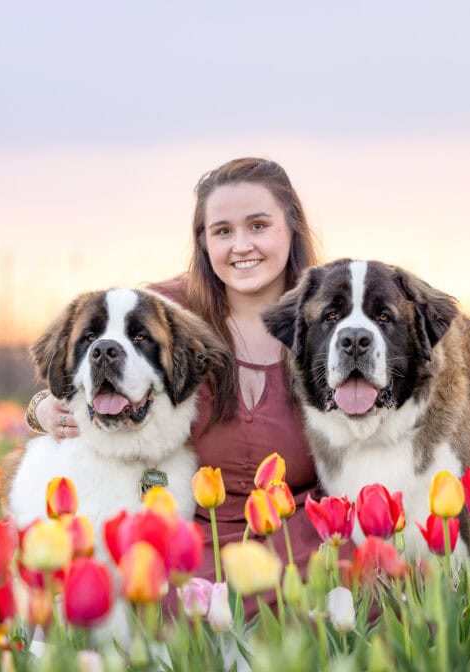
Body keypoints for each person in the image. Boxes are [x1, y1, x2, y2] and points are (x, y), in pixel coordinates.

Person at [25, 157, 325, 584]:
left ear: (291, 226)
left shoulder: (329, 321)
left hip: (299, 537)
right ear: (203, 242)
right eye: (222, 231)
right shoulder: (164, 312)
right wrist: (43, 409)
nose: (241, 245)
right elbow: (81, 357)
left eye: (258, 225)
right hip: (193, 539)